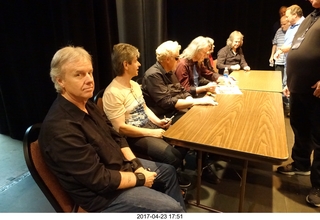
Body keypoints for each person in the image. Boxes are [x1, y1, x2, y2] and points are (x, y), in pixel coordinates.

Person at [38, 46, 186, 212]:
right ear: (60, 81)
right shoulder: (60, 128)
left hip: (120, 168)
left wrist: (135, 164)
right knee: (172, 209)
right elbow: (99, 179)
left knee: (169, 172)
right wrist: (139, 177)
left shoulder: (87, 104)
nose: (89, 79)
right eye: (78, 74)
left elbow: (117, 137)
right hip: (104, 196)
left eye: (90, 72)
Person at [102, 43, 190, 188]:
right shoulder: (112, 93)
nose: (139, 64)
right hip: (133, 136)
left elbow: (144, 108)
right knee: (172, 156)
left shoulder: (135, 85)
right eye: (136, 60)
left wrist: (159, 122)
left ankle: (171, 175)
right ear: (125, 64)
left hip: (147, 127)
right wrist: (153, 132)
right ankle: (169, 180)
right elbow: (121, 129)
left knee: (184, 139)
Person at [142, 40, 220, 184]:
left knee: (201, 122)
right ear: (167, 59)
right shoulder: (153, 75)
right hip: (161, 116)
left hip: (173, 111)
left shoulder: (169, 71)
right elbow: (166, 102)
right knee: (194, 128)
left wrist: (192, 101)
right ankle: (176, 168)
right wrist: (197, 101)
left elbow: (182, 91)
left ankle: (201, 165)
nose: (179, 60)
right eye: (177, 57)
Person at [276, 0, 320, 207]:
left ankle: (319, 187)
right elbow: (297, 47)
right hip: (299, 87)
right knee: (299, 128)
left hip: (317, 91)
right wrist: (291, 82)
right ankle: (301, 163)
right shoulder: (311, 17)